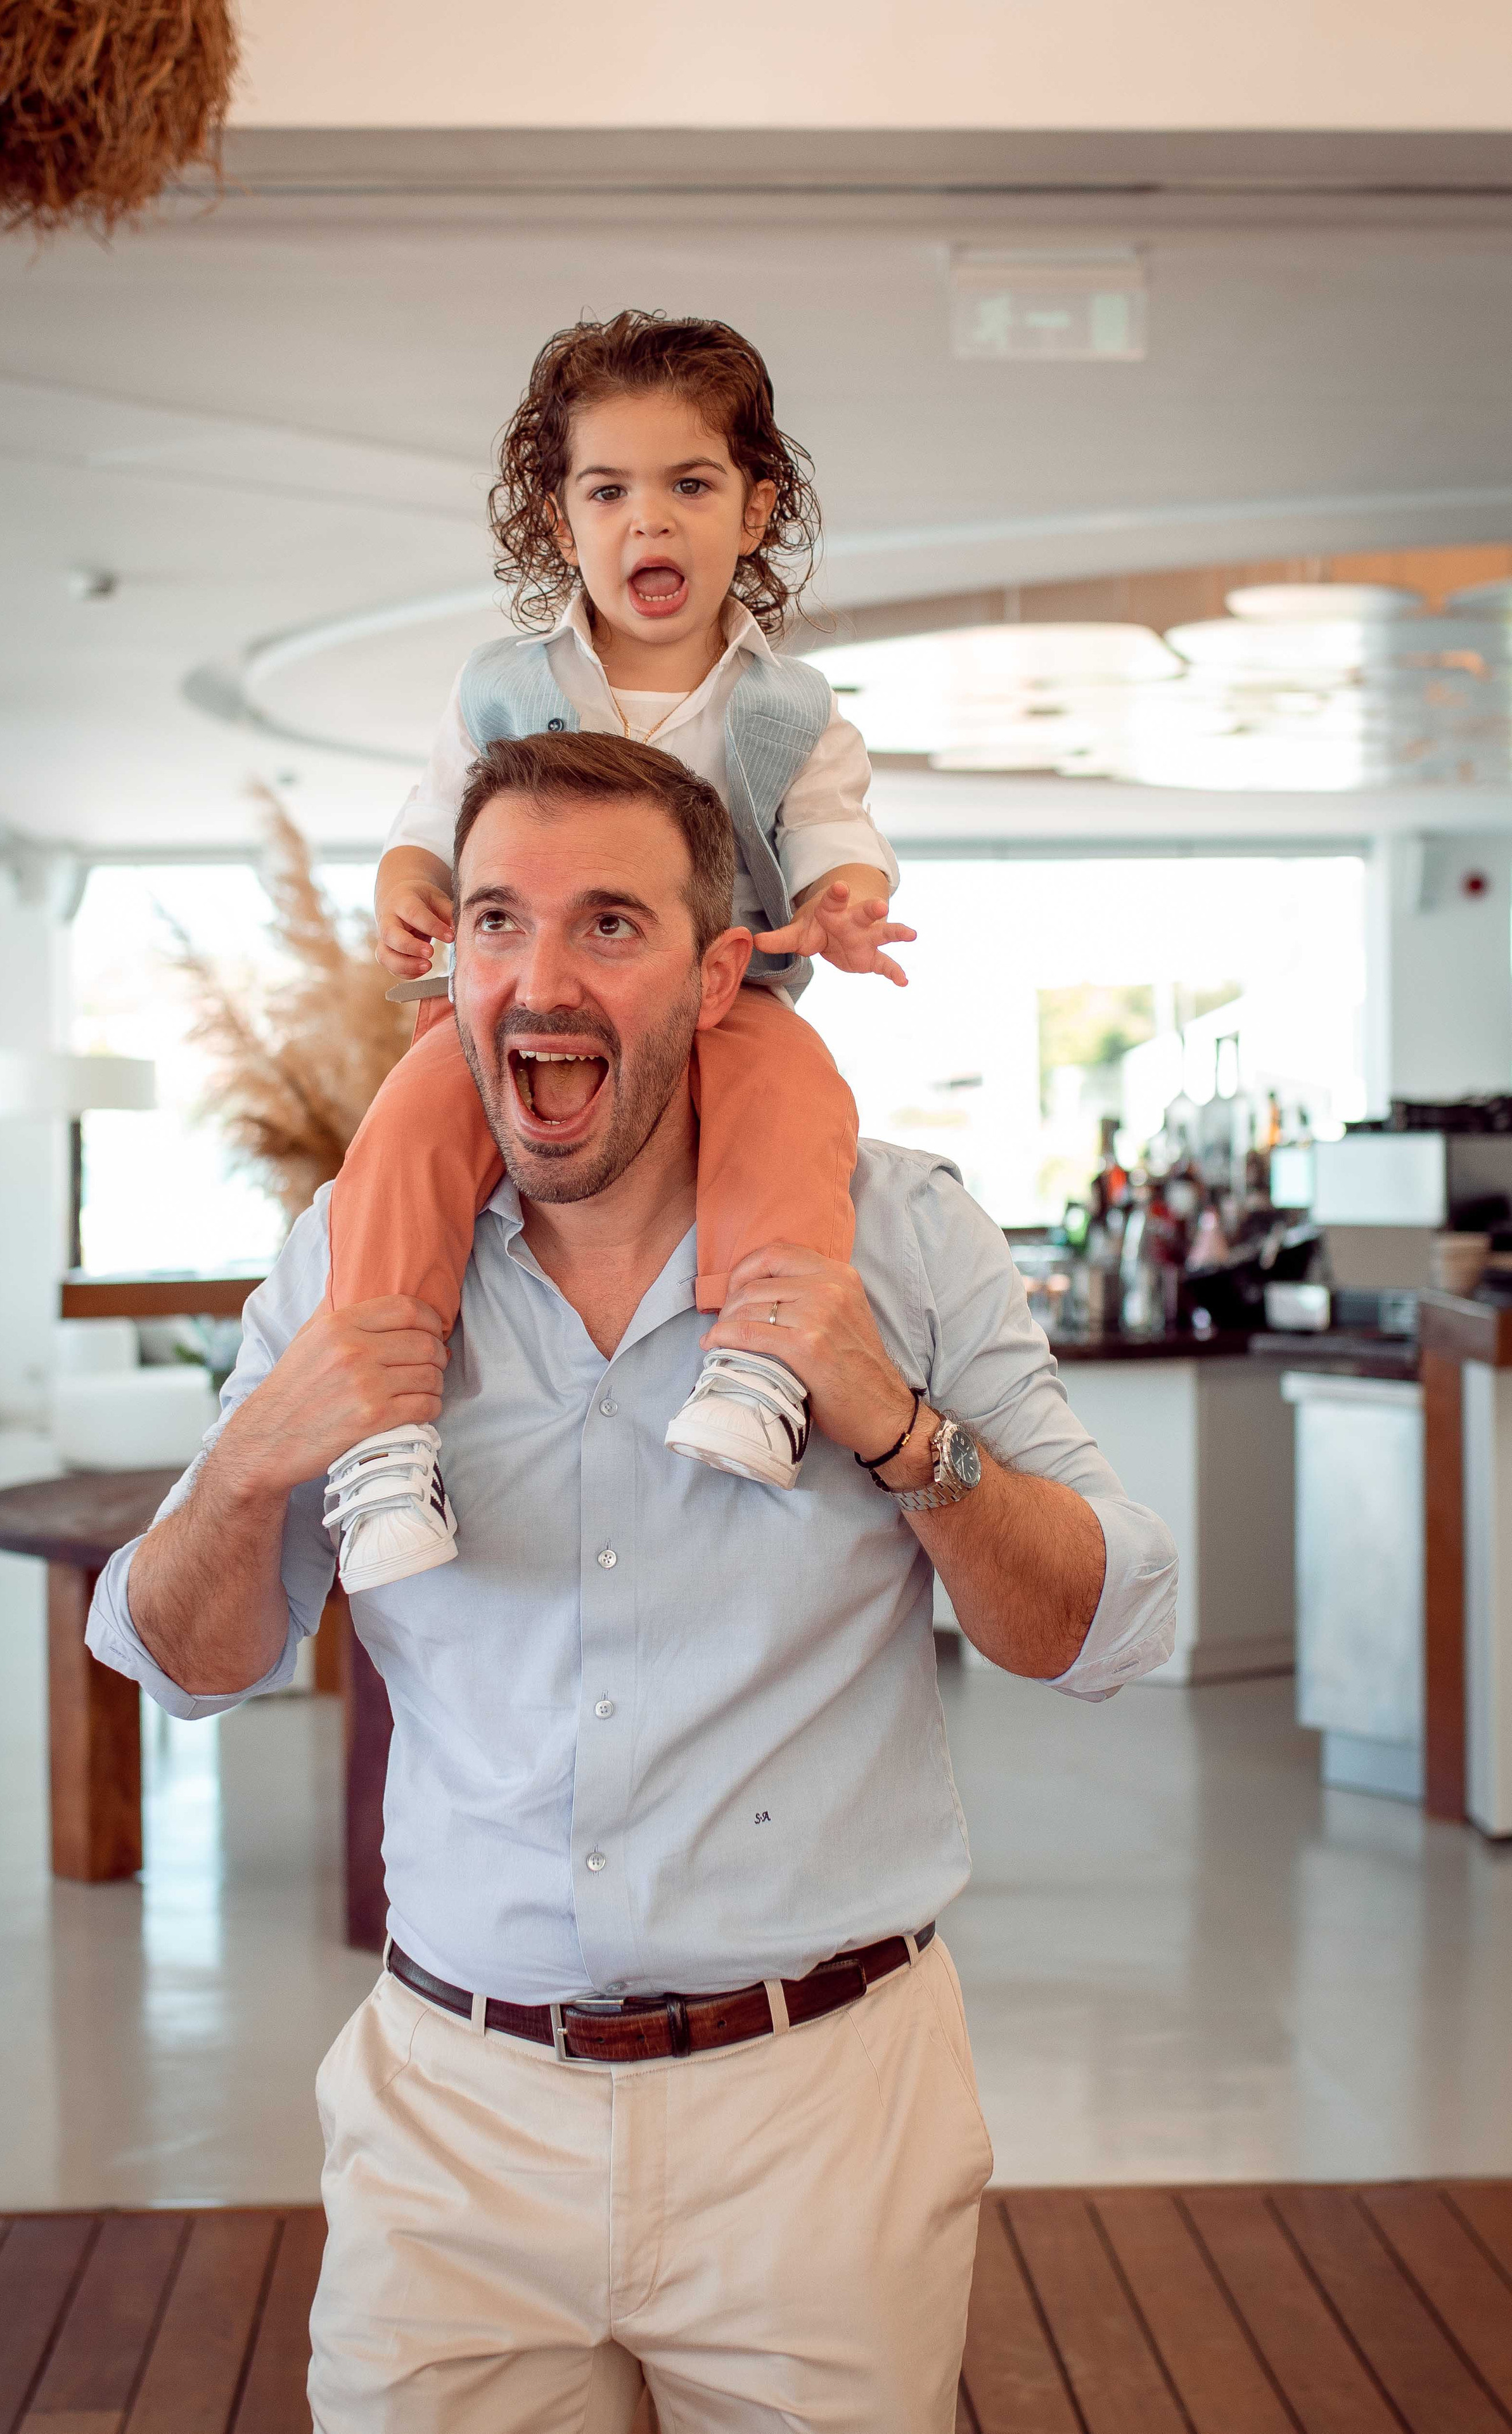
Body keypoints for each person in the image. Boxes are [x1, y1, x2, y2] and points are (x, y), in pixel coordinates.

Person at [89, 731, 1178, 2432]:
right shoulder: (343, 1256)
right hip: (454, 2125)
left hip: (824, 2120)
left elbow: (1107, 1623)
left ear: (721, 972)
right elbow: (185, 1661)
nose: (542, 976)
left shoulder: (902, 1238)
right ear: (448, 954)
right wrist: (247, 1466)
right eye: (500, 920)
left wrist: (897, 1429)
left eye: (611, 925)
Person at [323, 309, 915, 1597]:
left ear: (754, 511)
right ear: (560, 519)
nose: (648, 521)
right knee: (408, 1132)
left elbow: (832, 834)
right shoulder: (494, 691)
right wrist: (409, 886)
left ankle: (757, 1363)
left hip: (722, 989)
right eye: (608, 489)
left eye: (689, 484)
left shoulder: (787, 713)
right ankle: (377, 1434)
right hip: (531, 1003)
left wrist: (842, 908)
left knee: (795, 1104)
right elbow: (425, 827)